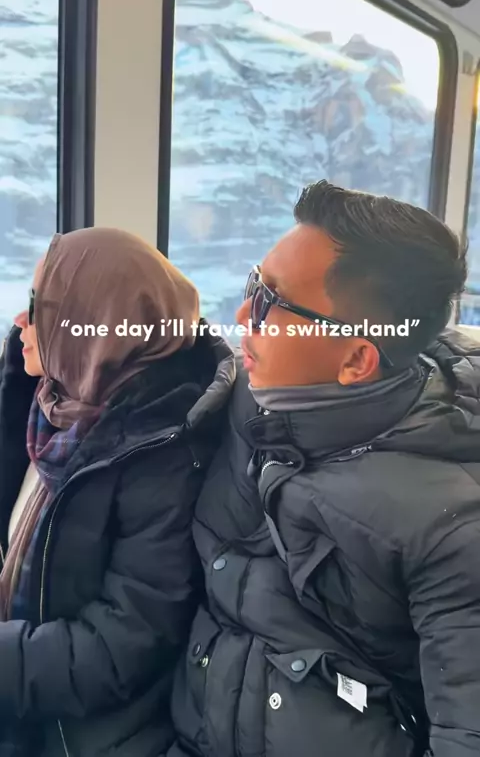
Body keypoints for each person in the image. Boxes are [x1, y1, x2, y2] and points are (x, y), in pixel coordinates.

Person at [166, 181, 480, 757]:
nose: (242, 315)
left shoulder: (451, 525)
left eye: (270, 304)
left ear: (356, 359)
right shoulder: (245, 397)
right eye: (253, 284)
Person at [0, 227, 235, 757]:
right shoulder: (51, 401)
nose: (19, 322)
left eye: (38, 308)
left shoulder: (165, 459)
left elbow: (117, 649)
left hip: (82, 733)